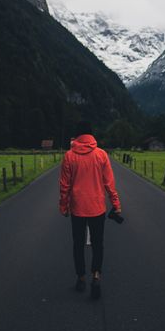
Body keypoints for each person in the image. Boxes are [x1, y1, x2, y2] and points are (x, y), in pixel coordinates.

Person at [59, 123, 122, 299]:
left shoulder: (69, 156)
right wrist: (116, 204)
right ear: (91, 136)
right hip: (97, 208)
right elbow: (109, 184)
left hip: (77, 208)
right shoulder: (101, 155)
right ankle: (96, 275)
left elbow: (64, 186)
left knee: (78, 244)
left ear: (77, 136)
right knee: (97, 243)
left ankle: (80, 277)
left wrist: (64, 206)